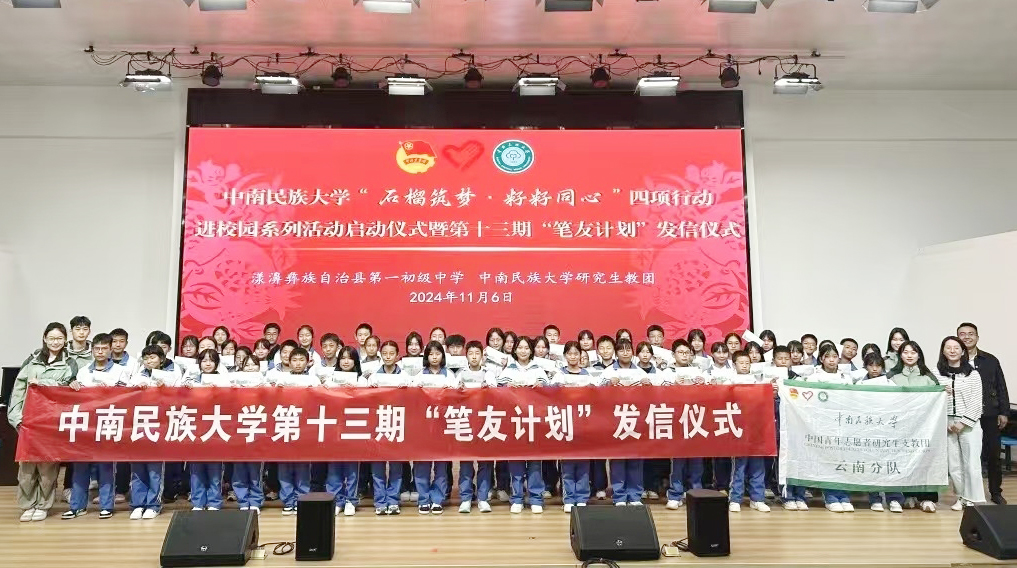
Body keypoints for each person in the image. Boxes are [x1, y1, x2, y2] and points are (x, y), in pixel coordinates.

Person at [10, 323, 79, 522]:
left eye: (59, 338)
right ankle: (28, 505)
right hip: (28, 422)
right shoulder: (32, 360)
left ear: (65, 340)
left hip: (50, 423)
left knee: (47, 468)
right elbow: (18, 390)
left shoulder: (70, 363)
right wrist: (16, 419)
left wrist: (43, 383)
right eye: (52, 338)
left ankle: (43, 505)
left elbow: (66, 389)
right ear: (45, 338)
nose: (55, 342)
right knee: (26, 467)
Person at [63, 333, 125, 520]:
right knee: (80, 467)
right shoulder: (83, 371)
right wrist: (73, 386)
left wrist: (112, 391)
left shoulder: (119, 371)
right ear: (92, 350)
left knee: (105, 467)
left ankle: (106, 506)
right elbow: (75, 398)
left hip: (107, 423)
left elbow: (127, 397)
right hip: (85, 424)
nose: (100, 352)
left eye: (104, 348)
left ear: (110, 350)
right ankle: (77, 506)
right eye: (97, 348)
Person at [128, 344, 182, 520]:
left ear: (161, 359)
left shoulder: (171, 377)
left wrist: (165, 390)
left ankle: (153, 504)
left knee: (155, 469)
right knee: (138, 468)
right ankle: (137, 504)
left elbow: (180, 400)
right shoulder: (137, 377)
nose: (149, 361)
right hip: (138, 426)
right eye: (146, 358)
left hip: (159, 428)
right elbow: (125, 398)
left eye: (153, 357)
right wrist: (136, 390)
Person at [957, 322, 1009, 505]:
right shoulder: (954, 360)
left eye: (971, 334)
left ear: (977, 337)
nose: (967, 337)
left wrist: (1004, 412)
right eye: (962, 334)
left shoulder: (990, 360)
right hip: (964, 416)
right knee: (966, 457)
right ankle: (965, 493)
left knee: (993, 454)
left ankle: (995, 492)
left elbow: (1001, 386)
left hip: (989, 413)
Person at [888, 340, 940, 513]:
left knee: (925, 460)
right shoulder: (892, 376)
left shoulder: (928, 376)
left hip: (925, 427)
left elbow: (937, 400)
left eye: (913, 352)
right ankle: (907, 495)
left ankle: (927, 497)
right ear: (900, 355)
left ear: (919, 355)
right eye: (905, 352)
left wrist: (943, 392)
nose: (909, 355)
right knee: (904, 460)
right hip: (901, 427)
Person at [936, 336, 986, 511]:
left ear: (963, 351)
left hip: (969, 424)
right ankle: (961, 496)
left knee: (971, 463)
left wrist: (963, 422)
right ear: (943, 351)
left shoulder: (973, 374)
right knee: (954, 464)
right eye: (948, 347)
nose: (952, 350)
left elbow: (976, 402)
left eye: (956, 347)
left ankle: (971, 498)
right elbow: (933, 398)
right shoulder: (936, 374)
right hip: (946, 423)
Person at [501, 337, 546, 514]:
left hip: (534, 421)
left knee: (535, 463)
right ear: (514, 350)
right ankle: (517, 498)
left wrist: (541, 386)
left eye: (527, 348)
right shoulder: (508, 369)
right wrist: (507, 386)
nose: (523, 351)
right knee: (516, 461)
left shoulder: (538, 369)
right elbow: (497, 390)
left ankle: (535, 498)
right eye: (520, 347)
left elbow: (549, 390)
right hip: (514, 422)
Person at [413, 341, 456, 515]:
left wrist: (450, 391)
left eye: (438, 354)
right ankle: (423, 499)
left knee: (441, 466)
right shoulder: (419, 375)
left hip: (443, 426)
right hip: (423, 426)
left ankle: (437, 499)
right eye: (431, 354)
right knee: (422, 465)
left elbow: (458, 398)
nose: (434, 357)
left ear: (442, 356)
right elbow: (410, 397)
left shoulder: (450, 375)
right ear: (426, 357)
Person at [274, 347, 315, 515]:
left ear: (307, 362)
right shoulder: (281, 379)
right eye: (294, 360)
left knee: (302, 466)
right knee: (284, 466)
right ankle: (288, 500)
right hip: (284, 425)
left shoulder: (313, 380)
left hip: (304, 427)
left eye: (301, 360)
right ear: (289, 362)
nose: (298, 363)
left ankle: (302, 499)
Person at [727, 350, 769, 513]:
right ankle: (735, 498)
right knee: (739, 465)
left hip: (757, 427)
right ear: (734, 364)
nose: (744, 366)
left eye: (747, 363)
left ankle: (757, 498)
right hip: (738, 427)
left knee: (758, 464)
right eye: (741, 363)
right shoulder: (729, 380)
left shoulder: (758, 381)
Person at [185, 349, 226, 512]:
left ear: (216, 363)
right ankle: (198, 502)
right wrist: (187, 389)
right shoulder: (191, 380)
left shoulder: (224, 380)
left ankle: (214, 501)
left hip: (216, 428)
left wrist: (218, 391)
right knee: (196, 468)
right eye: (204, 360)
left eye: (211, 360)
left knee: (214, 468)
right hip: (196, 428)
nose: (208, 364)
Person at [456, 340, 495, 514]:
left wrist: (488, 390)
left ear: (482, 356)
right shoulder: (460, 374)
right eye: (470, 353)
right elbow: (452, 396)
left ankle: (483, 498)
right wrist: (458, 390)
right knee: (466, 462)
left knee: (485, 463)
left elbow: (497, 395)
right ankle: (465, 498)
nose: (474, 357)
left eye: (477, 353)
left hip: (485, 422)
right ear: (466, 356)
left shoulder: (489, 374)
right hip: (466, 422)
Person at [325, 346, 364, 517]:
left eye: (349, 358)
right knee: (334, 467)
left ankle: (351, 500)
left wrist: (355, 389)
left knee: (352, 467)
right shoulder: (330, 380)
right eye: (343, 358)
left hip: (355, 427)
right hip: (334, 427)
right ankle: (336, 500)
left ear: (355, 361)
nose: (346, 361)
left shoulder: (362, 381)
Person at [666, 339, 704, 509]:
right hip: (676, 421)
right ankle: (675, 494)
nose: (684, 355)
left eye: (687, 352)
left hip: (696, 420)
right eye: (680, 352)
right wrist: (673, 386)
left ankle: (695, 493)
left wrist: (703, 384)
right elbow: (658, 395)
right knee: (678, 461)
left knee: (697, 461)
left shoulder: (699, 372)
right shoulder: (666, 373)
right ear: (673, 355)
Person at [609, 339, 646, 506]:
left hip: (636, 419)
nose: (625, 353)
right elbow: (596, 392)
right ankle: (619, 495)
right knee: (618, 459)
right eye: (621, 350)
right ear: (616, 353)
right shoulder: (609, 372)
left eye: (628, 349)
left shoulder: (640, 372)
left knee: (635, 459)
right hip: (616, 420)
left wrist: (648, 385)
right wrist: (608, 384)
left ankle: (635, 495)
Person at [369, 340, 405, 515]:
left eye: (392, 353)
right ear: (380, 355)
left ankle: (393, 500)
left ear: (397, 356)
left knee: (396, 466)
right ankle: (380, 501)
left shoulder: (405, 376)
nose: (388, 356)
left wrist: (406, 390)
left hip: (397, 423)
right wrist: (371, 389)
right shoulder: (373, 377)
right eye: (385, 353)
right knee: (378, 466)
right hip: (378, 423)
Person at [858, 354, 897, 512]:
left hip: (887, 429)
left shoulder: (890, 383)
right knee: (871, 464)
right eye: (871, 365)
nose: (874, 369)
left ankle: (894, 498)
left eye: (878, 366)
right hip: (868, 430)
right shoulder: (859, 384)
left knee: (890, 463)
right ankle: (875, 499)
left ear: (882, 367)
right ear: (866, 366)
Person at [230, 355, 268, 515]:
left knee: (255, 470)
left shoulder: (265, 382)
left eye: (254, 365)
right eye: (247, 365)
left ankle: (255, 501)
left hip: (257, 430)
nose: (251, 368)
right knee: (239, 469)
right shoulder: (234, 382)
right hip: (239, 430)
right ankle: (242, 500)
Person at [558, 341, 592, 513]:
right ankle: (569, 498)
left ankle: (582, 497)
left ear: (581, 356)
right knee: (568, 465)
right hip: (565, 424)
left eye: (576, 353)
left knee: (584, 464)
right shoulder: (559, 375)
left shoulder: (588, 375)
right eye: (570, 354)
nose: (573, 357)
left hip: (584, 425)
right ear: (565, 356)